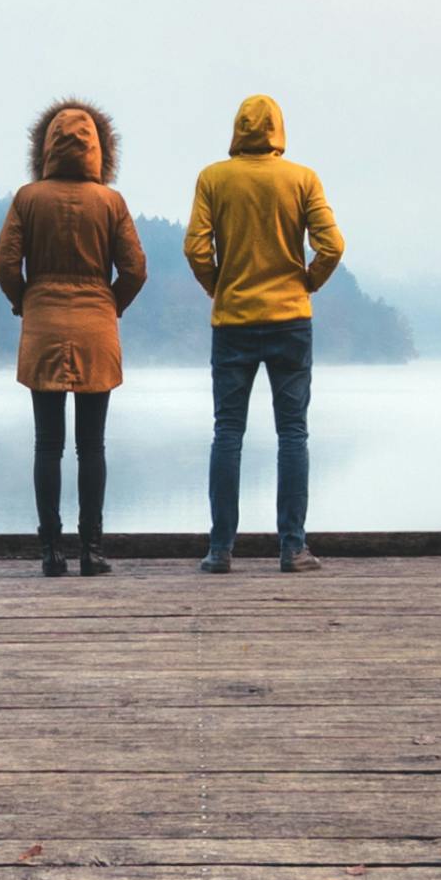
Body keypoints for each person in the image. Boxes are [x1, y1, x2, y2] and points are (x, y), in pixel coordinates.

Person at [184, 93, 343, 572]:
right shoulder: (301, 179)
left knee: (227, 432)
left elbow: (196, 248)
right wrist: (306, 282)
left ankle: (219, 550)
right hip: (291, 320)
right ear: (278, 130)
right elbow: (331, 245)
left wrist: (220, 287)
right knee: (292, 432)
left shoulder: (214, 178)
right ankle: (292, 548)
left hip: (233, 321)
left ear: (238, 129)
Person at [0, 98, 146, 577]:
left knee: (48, 445)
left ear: (47, 148)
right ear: (99, 150)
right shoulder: (111, 203)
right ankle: (93, 551)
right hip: (98, 329)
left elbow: (3, 262)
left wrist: (24, 300)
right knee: (92, 446)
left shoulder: (27, 198)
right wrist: (111, 303)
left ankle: (50, 552)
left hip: (42, 327)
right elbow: (136, 269)